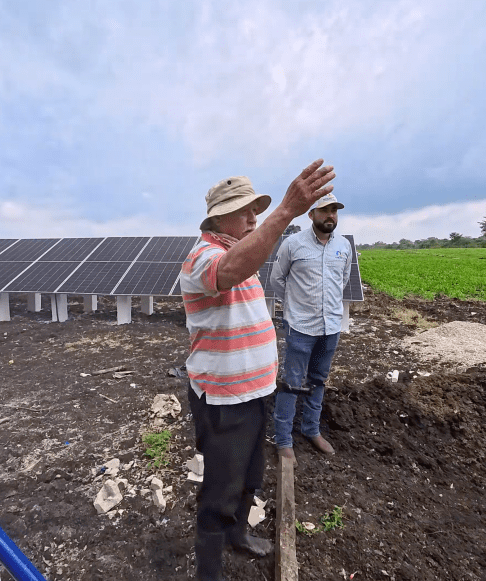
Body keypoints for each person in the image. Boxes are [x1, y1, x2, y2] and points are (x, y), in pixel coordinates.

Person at [181, 160, 335, 580]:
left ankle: (238, 536)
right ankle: (209, 572)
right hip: (224, 401)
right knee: (220, 490)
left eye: (258, 210)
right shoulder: (203, 258)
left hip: (253, 393)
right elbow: (229, 271)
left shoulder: (242, 254)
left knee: (251, 475)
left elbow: (242, 269)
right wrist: (286, 211)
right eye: (245, 210)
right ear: (218, 218)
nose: (254, 217)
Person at [269, 192, 351, 466]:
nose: (330, 215)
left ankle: (311, 429)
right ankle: (283, 441)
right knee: (292, 383)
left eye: (334, 211)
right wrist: (294, 306)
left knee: (318, 380)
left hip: (331, 327)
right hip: (301, 327)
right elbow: (277, 279)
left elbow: (342, 280)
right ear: (311, 214)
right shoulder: (293, 244)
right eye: (325, 210)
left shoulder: (343, 246)